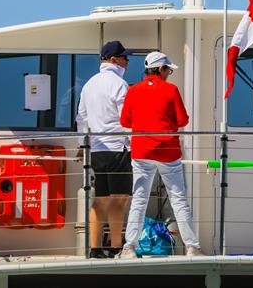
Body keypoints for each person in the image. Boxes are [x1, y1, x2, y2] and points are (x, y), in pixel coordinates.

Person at [118, 51, 204, 259]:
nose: (168, 74)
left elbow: (125, 122)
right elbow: (183, 120)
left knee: (139, 199)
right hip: (168, 152)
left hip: (141, 151)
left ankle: (129, 248)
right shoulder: (171, 90)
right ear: (160, 69)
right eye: (167, 70)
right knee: (178, 199)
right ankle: (192, 247)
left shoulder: (133, 91)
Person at [75, 40, 133, 258]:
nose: (127, 61)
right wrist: (134, 144)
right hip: (118, 148)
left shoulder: (89, 84)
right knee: (119, 200)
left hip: (97, 150)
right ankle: (117, 247)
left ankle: (95, 248)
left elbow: (82, 118)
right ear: (113, 60)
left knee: (101, 200)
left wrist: (83, 146)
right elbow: (126, 119)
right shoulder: (119, 84)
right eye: (124, 57)